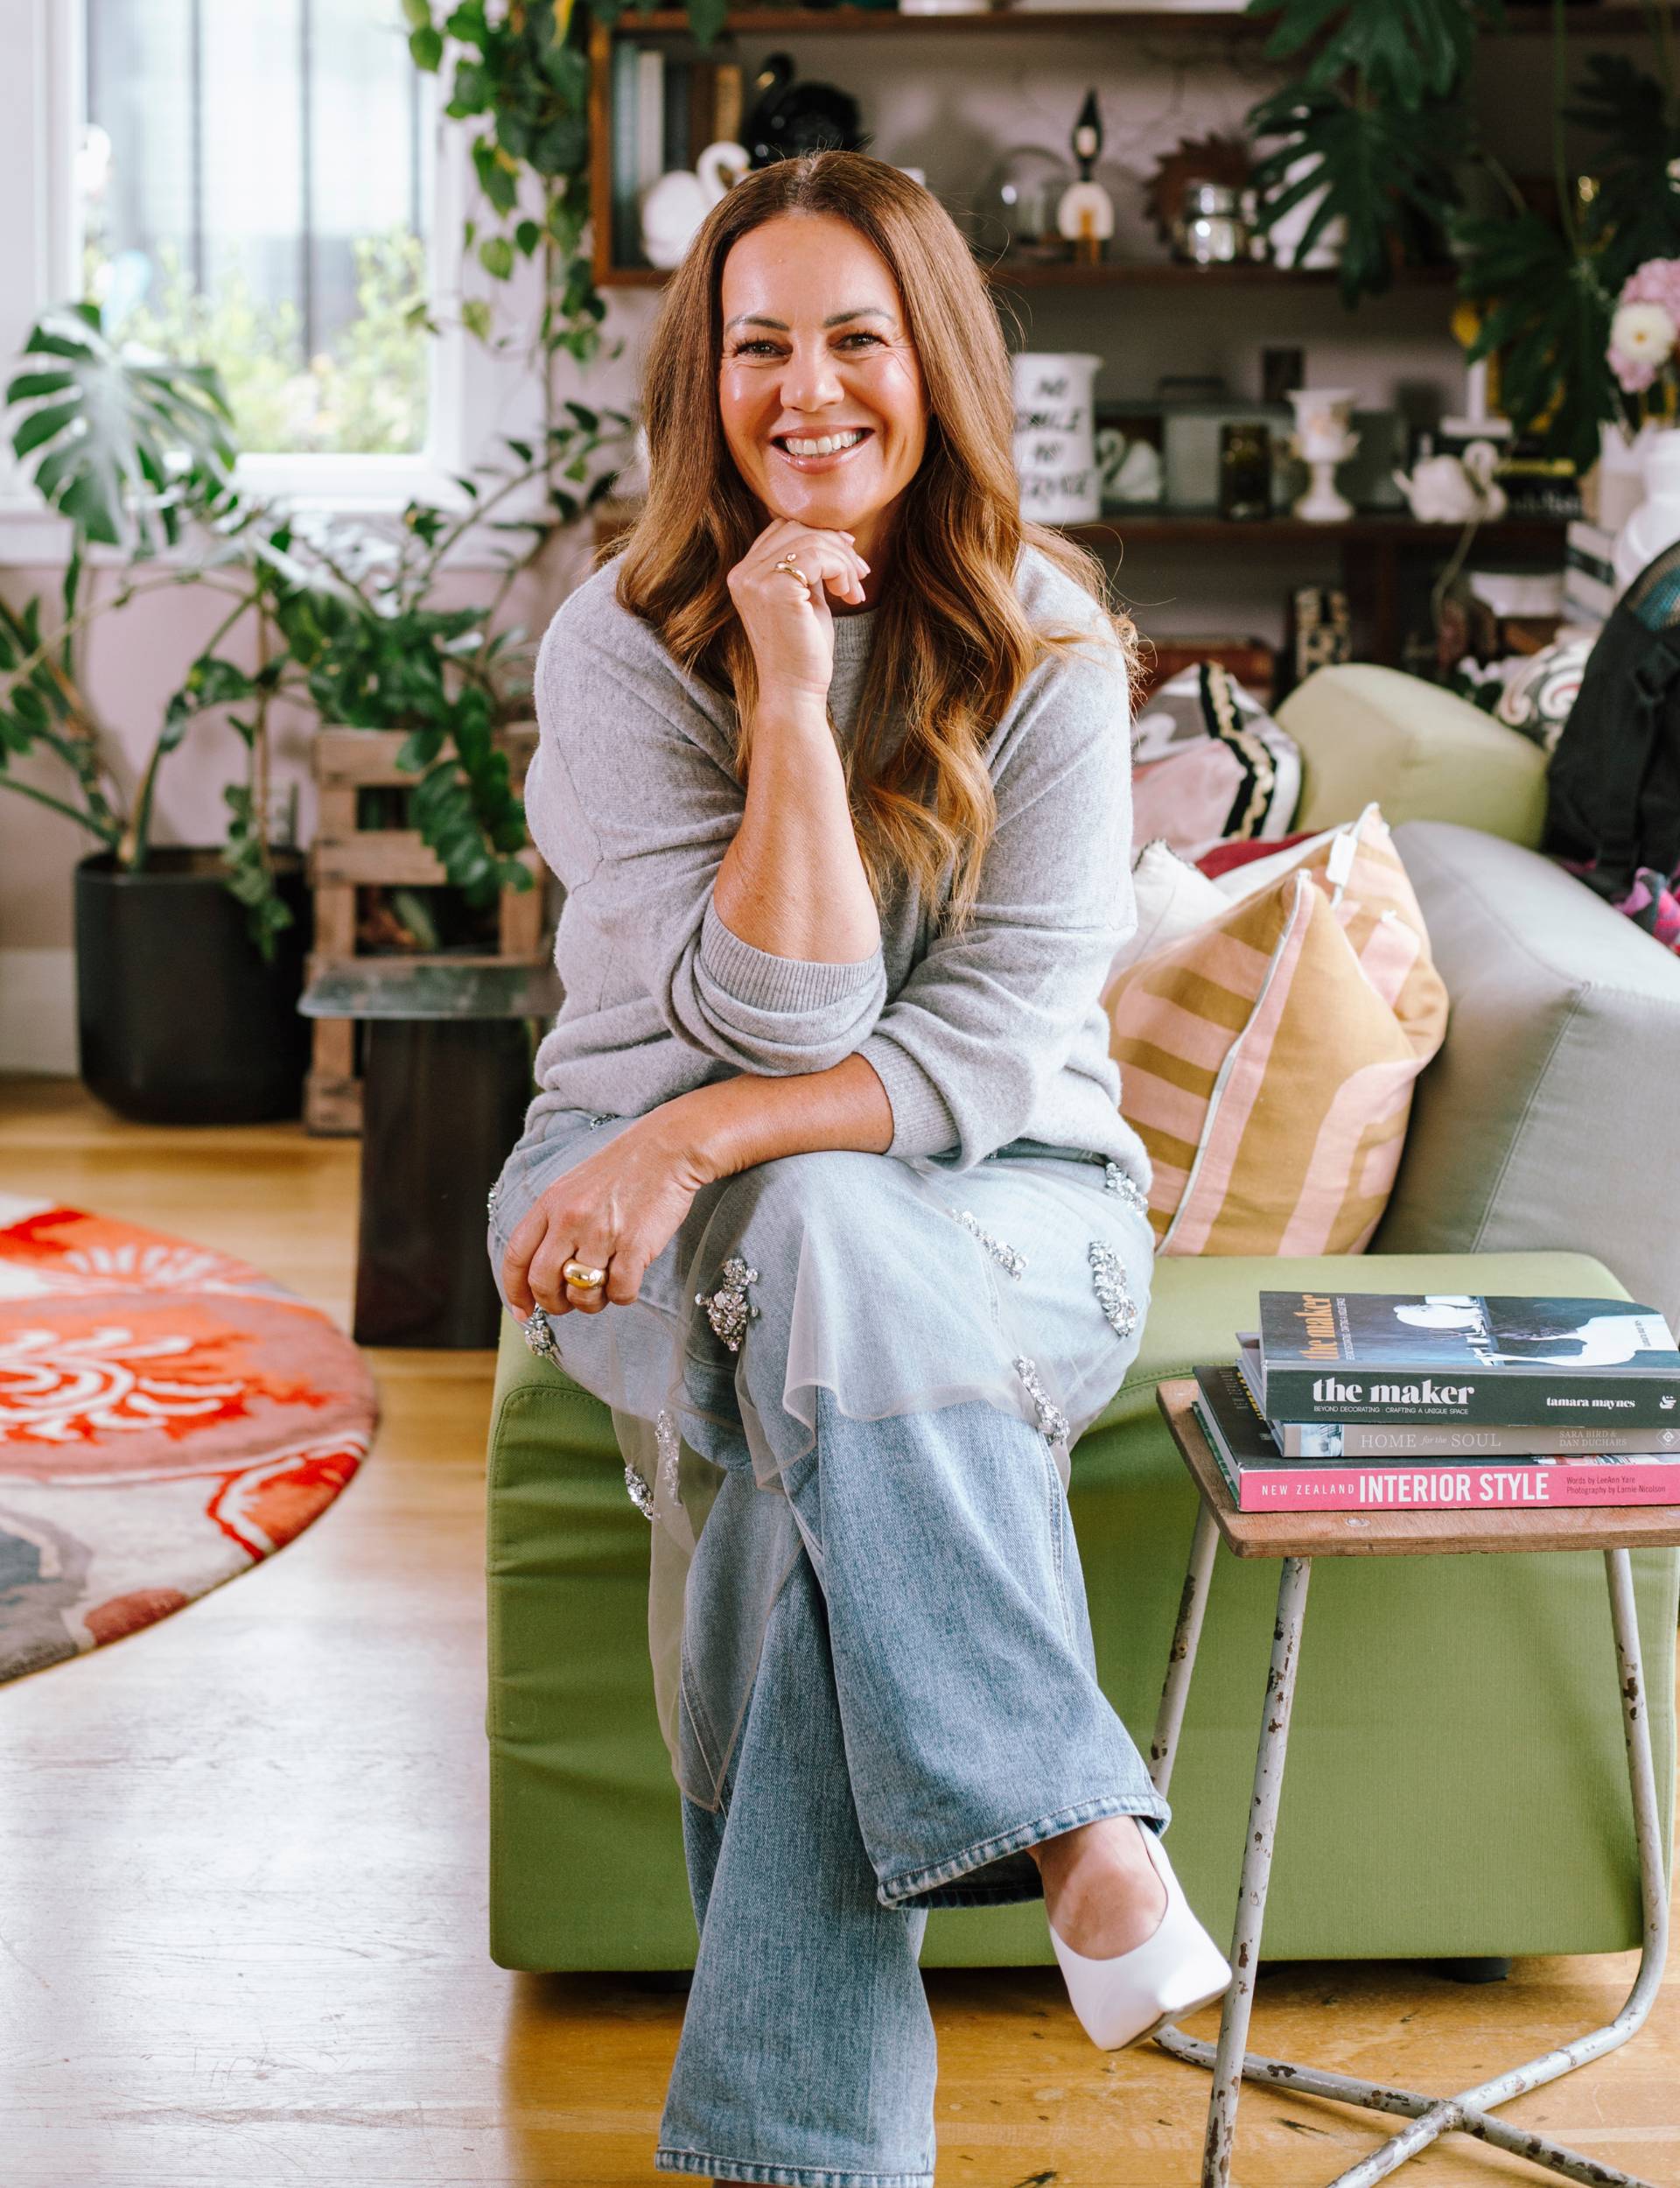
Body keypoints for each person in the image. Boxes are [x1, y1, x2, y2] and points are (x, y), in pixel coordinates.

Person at [486, 149, 1229, 2188]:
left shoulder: (1054, 647)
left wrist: (702, 1138)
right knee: (819, 1238)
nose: (804, 391)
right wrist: (791, 699)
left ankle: (796, 2153)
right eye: (755, 347)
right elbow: (788, 1013)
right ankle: (1080, 1812)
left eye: (853, 339)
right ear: (698, 381)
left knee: (819, 1280)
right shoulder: (624, 653)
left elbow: (975, 1054)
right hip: (626, 1219)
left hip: (1011, 1205)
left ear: (938, 362)